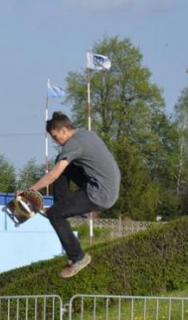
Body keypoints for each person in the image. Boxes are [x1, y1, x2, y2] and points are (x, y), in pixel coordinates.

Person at [25, 112, 120, 278]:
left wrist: (29, 192)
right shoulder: (86, 134)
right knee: (62, 162)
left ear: (64, 131)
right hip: (107, 186)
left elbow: (54, 175)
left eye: (55, 137)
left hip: (100, 193)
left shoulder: (73, 144)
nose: (56, 141)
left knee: (55, 215)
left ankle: (78, 257)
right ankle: (61, 206)